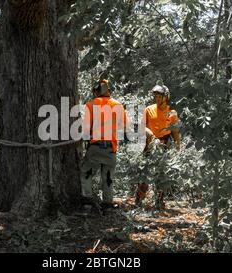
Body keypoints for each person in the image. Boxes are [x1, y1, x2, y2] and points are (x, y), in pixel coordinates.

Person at [77, 79, 128, 216]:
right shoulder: (118, 105)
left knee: (86, 173)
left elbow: (86, 129)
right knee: (108, 177)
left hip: (95, 146)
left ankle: (87, 204)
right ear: (108, 90)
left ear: (97, 91)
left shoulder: (91, 104)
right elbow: (123, 127)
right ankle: (108, 206)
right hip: (111, 147)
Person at [136, 84, 182, 209]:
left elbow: (175, 132)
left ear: (165, 97)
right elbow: (141, 126)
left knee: (161, 174)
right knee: (145, 173)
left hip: (164, 144)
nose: (156, 97)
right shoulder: (148, 109)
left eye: (159, 95)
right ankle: (139, 200)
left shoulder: (172, 113)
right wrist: (148, 131)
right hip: (149, 145)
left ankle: (159, 201)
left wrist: (178, 147)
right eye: (155, 95)